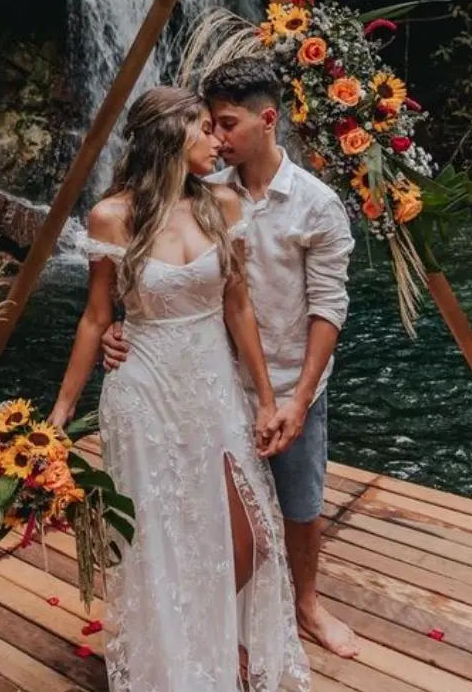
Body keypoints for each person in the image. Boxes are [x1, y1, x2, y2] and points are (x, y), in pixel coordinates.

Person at [48, 86, 310, 692]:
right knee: (159, 535)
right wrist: (58, 413)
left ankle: (205, 641)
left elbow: (240, 307)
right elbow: (97, 319)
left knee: (247, 531)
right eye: (204, 128)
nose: (218, 140)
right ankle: (173, 671)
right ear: (169, 137)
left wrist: (260, 395)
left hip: (213, 386)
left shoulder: (223, 205)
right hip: (144, 387)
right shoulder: (112, 219)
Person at [104, 57, 359, 659]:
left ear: (267, 120)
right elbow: (155, 266)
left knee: (300, 501)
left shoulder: (317, 205)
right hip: (211, 379)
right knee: (209, 510)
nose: (215, 139)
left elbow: (329, 308)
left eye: (225, 125)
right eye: (208, 128)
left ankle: (306, 605)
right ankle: (215, 619)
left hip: (294, 378)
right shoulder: (206, 194)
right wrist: (124, 325)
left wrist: (296, 400)